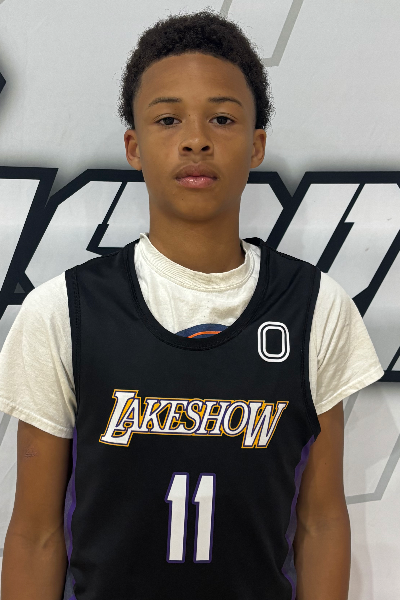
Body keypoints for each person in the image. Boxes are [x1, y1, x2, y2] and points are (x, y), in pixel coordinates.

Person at [0, 9, 384, 600]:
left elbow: (322, 521)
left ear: (256, 145)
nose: (196, 139)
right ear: (134, 146)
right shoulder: (62, 311)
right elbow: (35, 535)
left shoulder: (316, 307)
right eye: (168, 118)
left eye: (222, 118)